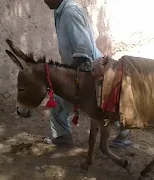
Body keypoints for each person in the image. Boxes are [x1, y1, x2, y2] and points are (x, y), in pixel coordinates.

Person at [43, 0, 133, 148]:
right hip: (86, 67)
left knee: (99, 105)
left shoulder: (69, 12)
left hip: (88, 68)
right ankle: (62, 136)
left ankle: (63, 137)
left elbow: (83, 48)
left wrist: (67, 74)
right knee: (96, 104)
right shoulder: (60, 11)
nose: (44, 1)